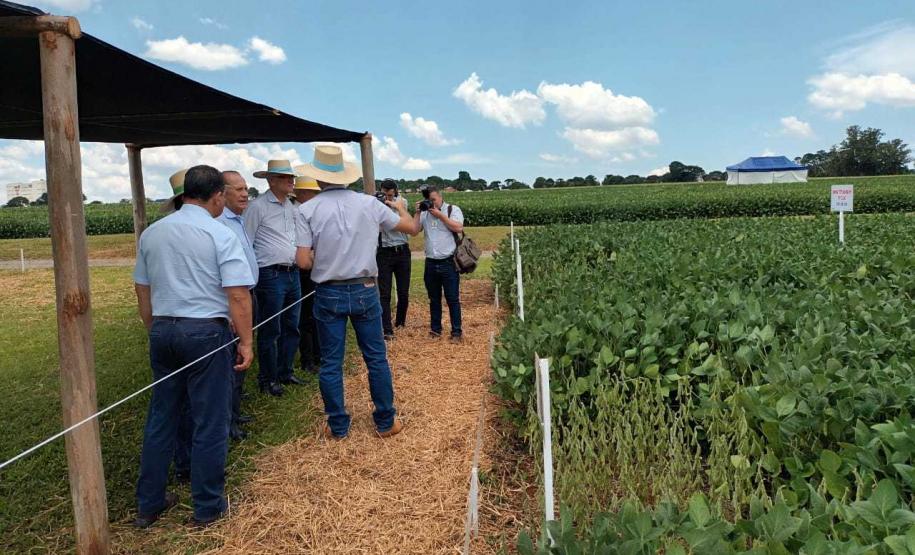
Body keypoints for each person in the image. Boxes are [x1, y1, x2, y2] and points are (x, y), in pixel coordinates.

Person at [133, 165, 254, 529]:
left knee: (162, 417)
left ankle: (149, 504)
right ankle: (207, 505)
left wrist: (154, 326)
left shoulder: (152, 233)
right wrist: (246, 341)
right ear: (217, 195)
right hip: (205, 332)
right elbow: (237, 293)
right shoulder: (219, 233)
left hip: (164, 329)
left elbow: (142, 288)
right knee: (210, 420)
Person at [294, 145, 415, 439]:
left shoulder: (306, 210)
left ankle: (338, 425)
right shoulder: (369, 205)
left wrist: (321, 258)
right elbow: (411, 228)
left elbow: (302, 261)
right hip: (365, 288)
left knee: (331, 362)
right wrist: (400, 207)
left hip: (328, 291)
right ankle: (386, 421)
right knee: (376, 357)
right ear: (346, 177)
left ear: (319, 179)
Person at [245, 159, 305, 397]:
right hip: (270, 274)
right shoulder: (257, 207)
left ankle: (285, 371)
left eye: (291, 177)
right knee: (271, 328)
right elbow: (246, 243)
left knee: (292, 325)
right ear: (270, 181)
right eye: (284, 177)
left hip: (292, 273)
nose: (291, 181)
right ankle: (267, 378)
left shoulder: (292, 206)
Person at [218, 170, 259, 441]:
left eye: (246, 189)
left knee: (241, 361)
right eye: (238, 189)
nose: (245, 194)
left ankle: (235, 411)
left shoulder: (239, 219)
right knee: (233, 360)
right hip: (233, 300)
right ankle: (228, 421)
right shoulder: (220, 224)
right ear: (222, 193)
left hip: (247, 295)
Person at [414, 185, 465, 342]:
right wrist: (417, 212)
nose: (431, 203)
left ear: (440, 197)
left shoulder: (452, 209)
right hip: (430, 262)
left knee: (452, 298)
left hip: (448, 262)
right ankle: (436, 329)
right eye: (428, 201)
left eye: (434, 200)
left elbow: (458, 227)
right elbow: (414, 231)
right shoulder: (424, 213)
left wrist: (440, 215)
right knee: (434, 298)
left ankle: (456, 332)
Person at [375, 179, 414, 340]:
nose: (388, 198)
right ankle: (387, 329)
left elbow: (407, 223)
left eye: (391, 195)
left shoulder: (402, 202)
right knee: (385, 293)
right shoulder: (376, 203)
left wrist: (393, 206)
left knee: (403, 291)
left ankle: (400, 322)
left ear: (396, 192)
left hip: (402, 250)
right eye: (385, 195)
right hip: (384, 251)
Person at [292, 175, 322, 373]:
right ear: (302, 193)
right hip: (302, 269)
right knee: (306, 317)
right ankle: (308, 359)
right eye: (313, 193)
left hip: (316, 268)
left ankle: (319, 355)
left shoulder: (311, 212)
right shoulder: (296, 213)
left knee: (317, 314)